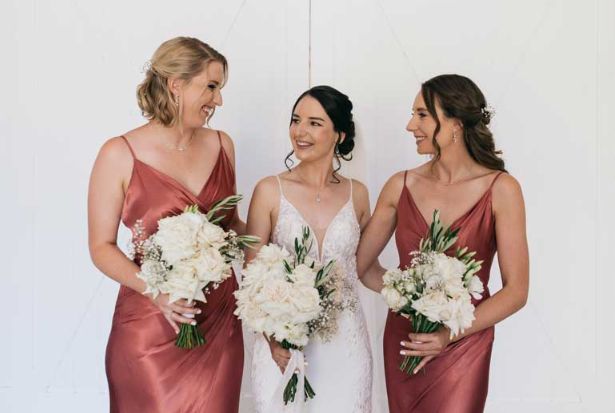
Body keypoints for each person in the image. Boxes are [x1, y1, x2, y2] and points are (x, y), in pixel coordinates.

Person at [88, 37, 244, 412]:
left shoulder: (223, 145)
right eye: (210, 86)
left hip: (218, 323)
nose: (218, 101)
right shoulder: (118, 153)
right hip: (150, 324)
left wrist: (278, 269)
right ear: (176, 83)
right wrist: (157, 292)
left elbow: (233, 225)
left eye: (220, 89)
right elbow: (100, 247)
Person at [357, 74, 529, 412]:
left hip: (465, 341)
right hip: (407, 340)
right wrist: (406, 296)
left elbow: (517, 291)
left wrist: (448, 335)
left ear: (454, 124)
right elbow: (363, 266)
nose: (410, 125)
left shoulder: (502, 189)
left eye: (422, 114)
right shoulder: (400, 185)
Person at [246, 86, 374, 412]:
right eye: (295, 120)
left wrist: (414, 294)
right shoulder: (269, 191)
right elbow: (251, 277)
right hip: (281, 344)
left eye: (315, 123)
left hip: (345, 341)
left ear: (339, 135)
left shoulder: (357, 195)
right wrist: (274, 339)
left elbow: (364, 266)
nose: (300, 131)